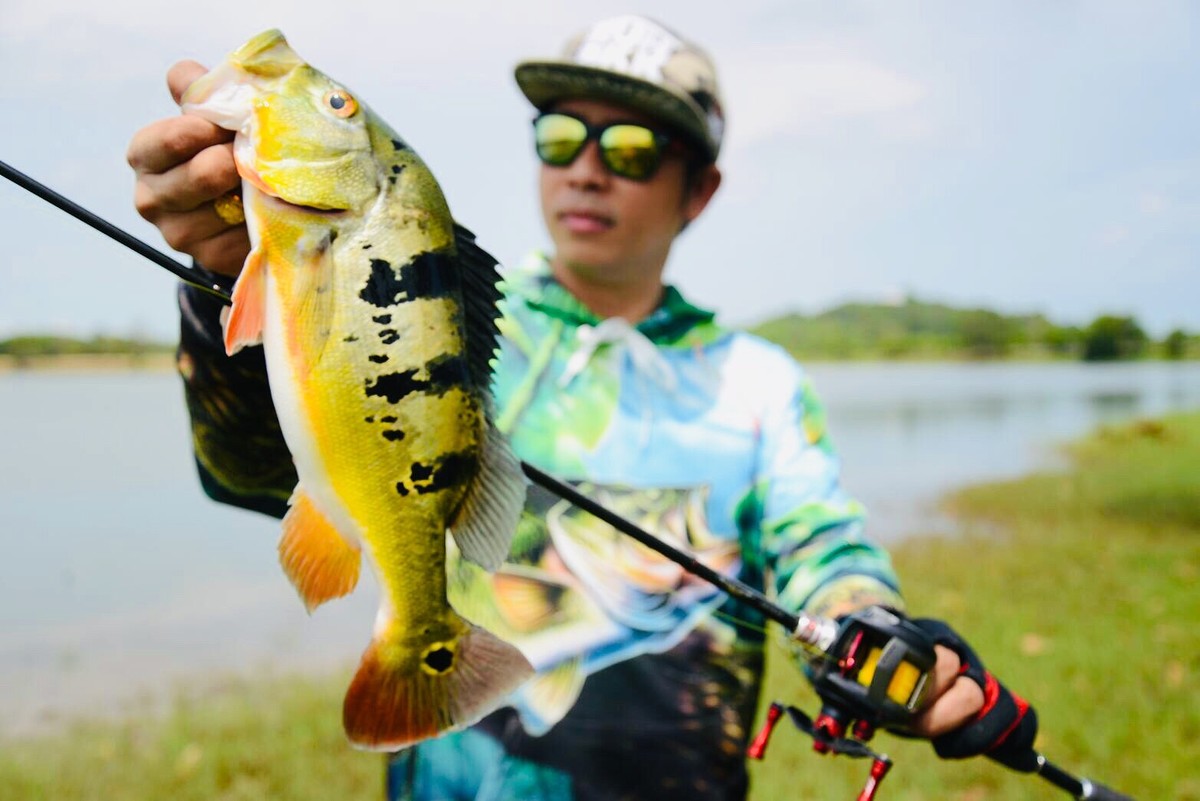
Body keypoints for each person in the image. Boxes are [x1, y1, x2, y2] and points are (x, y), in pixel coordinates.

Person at [128, 14, 1036, 801]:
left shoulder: (759, 384)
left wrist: (870, 628)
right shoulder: (446, 312)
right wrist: (220, 285)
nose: (589, 170)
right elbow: (248, 474)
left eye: (634, 148)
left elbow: (819, 546)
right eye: (562, 135)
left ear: (701, 189)